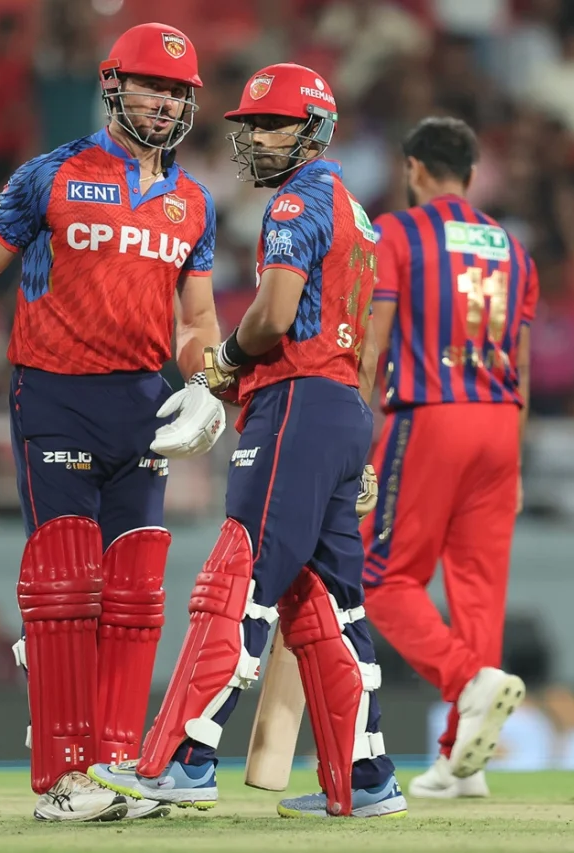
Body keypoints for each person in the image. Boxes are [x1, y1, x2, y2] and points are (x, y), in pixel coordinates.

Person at [0, 23, 226, 823]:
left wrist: (207, 384)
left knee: (136, 590)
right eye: (151, 85)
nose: (165, 103)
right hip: (55, 394)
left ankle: (117, 765)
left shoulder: (194, 202)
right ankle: (63, 776)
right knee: (66, 584)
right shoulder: (50, 175)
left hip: (143, 403)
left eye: (178, 92)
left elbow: (197, 319)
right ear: (113, 86)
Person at [89, 63, 407, 820]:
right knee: (330, 606)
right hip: (340, 410)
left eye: (271, 124)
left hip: (294, 405)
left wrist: (224, 364)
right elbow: (366, 346)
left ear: (314, 131)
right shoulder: (358, 214)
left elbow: (272, 316)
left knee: (237, 581)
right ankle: (365, 778)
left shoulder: (296, 201)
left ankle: (184, 759)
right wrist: (354, 444)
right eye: (251, 126)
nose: (256, 139)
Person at [360, 117, 537, 799]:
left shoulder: (397, 233)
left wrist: (355, 432)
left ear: (413, 168)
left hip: (431, 415)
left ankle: (467, 682)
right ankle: (463, 761)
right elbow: (522, 365)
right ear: (472, 172)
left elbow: (374, 343)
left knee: (382, 579)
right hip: (500, 425)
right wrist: (515, 459)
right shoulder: (514, 250)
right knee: (480, 593)